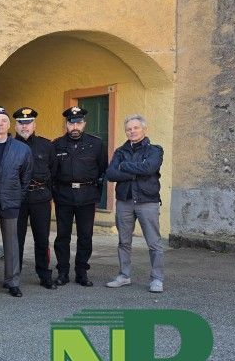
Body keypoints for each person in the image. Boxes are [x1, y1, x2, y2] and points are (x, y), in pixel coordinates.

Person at [104, 115, 165, 293]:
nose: (132, 131)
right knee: (124, 241)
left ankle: (157, 279)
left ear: (144, 129)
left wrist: (124, 166)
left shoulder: (155, 150)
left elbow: (149, 168)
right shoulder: (120, 151)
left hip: (147, 201)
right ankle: (124, 276)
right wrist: (136, 171)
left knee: (154, 242)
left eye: (136, 128)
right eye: (129, 129)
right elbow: (111, 174)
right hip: (125, 201)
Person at [52, 106, 108, 287]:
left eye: (78, 123)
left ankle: (82, 272)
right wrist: (55, 193)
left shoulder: (96, 144)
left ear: (84, 124)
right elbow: (52, 173)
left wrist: (96, 194)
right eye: (71, 123)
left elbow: (103, 170)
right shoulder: (57, 145)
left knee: (85, 236)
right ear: (66, 124)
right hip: (64, 195)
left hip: (87, 195)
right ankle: (62, 272)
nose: (75, 127)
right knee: (63, 236)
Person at [0, 108, 33, 297]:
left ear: (10, 125)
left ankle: (12, 282)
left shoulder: (22, 149)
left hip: (11, 202)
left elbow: (26, 177)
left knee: (12, 242)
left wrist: (17, 196)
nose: (0, 123)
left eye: (4, 120)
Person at [13, 107, 57, 289]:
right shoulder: (9, 145)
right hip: (17, 199)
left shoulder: (46, 146)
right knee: (16, 239)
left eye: (28, 123)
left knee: (42, 239)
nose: (25, 127)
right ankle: (14, 276)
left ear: (34, 125)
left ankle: (44, 274)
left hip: (40, 198)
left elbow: (54, 171)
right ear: (15, 126)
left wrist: (49, 194)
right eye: (21, 123)